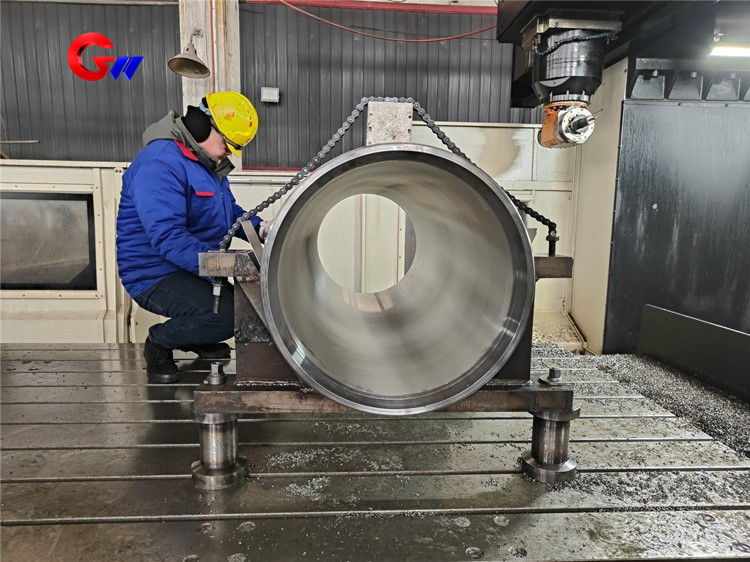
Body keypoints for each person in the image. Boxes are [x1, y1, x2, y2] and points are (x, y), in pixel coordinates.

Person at [116, 92, 268, 383]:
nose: (229, 153)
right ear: (202, 127)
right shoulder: (159, 163)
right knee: (229, 316)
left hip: (190, 265)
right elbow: (168, 238)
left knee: (241, 305)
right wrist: (228, 263)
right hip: (153, 273)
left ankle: (197, 336)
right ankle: (158, 342)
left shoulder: (206, 165)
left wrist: (261, 229)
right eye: (228, 144)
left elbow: (230, 213)